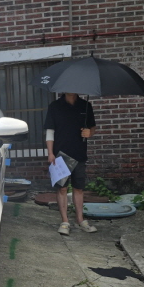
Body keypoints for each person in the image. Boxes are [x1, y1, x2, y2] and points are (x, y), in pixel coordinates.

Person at [44, 93, 97, 236]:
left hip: (79, 154)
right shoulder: (55, 106)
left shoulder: (86, 106)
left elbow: (92, 127)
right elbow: (50, 131)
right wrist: (50, 153)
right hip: (60, 155)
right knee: (62, 189)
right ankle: (65, 221)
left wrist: (89, 132)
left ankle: (80, 220)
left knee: (79, 188)